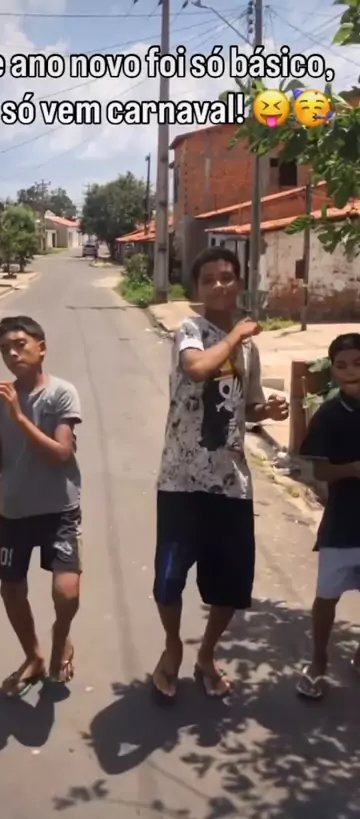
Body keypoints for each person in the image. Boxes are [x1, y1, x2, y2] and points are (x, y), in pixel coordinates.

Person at [152, 246, 289, 703]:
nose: (218, 285)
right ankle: (172, 646)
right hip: (181, 480)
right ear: (197, 288)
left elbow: (246, 406)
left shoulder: (247, 349)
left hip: (231, 483)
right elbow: (197, 369)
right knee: (168, 580)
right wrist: (236, 335)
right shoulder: (190, 331)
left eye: (226, 277)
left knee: (230, 585)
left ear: (239, 283)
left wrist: (266, 410)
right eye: (208, 279)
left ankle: (206, 655)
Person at [0, 316, 82, 698]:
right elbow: (1, 458)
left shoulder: (61, 393)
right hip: (14, 510)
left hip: (58, 508)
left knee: (67, 593)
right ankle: (33, 656)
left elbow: (62, 453)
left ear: (42, 348)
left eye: (20, 344)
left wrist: (19, 416)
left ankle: (61, 638)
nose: (12, 353)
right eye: (5, 348)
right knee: (11, 590)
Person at [297, 333, 360, 699]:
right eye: (342, 365)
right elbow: (318, 471)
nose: (351, 371)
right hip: (342, 522)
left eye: (358, 363)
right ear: (333, 370)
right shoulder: (329, 415)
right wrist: (351, 469)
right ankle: (318, 662)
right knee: (326, 598)